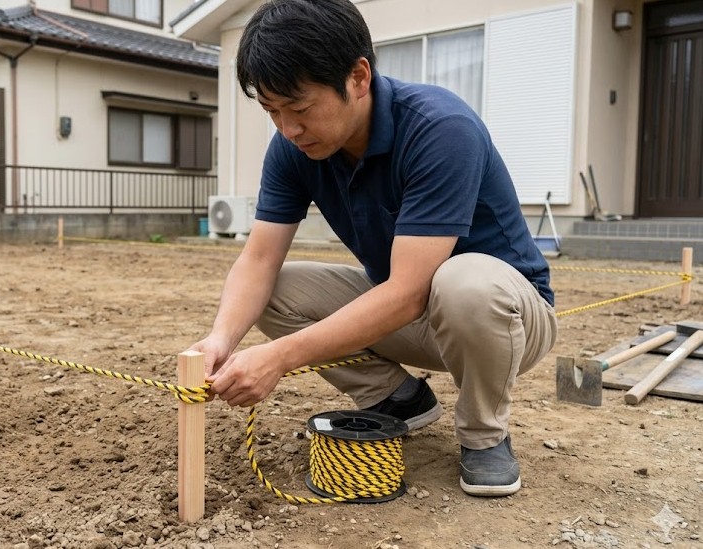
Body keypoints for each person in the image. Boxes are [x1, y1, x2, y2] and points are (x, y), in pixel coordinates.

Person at [189, 0, 557, 497]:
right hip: (413, 314)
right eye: (272, 111)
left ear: (358, 77)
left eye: (300, 108)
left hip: (506, 319)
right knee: (274, 290)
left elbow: (408, 292)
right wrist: (221, 339)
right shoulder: (293, 150)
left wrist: (278, 358)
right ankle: (397, 398)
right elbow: (258, 259)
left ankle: (484, 434)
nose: (288, 129)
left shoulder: (440, 128)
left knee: (462, 281)